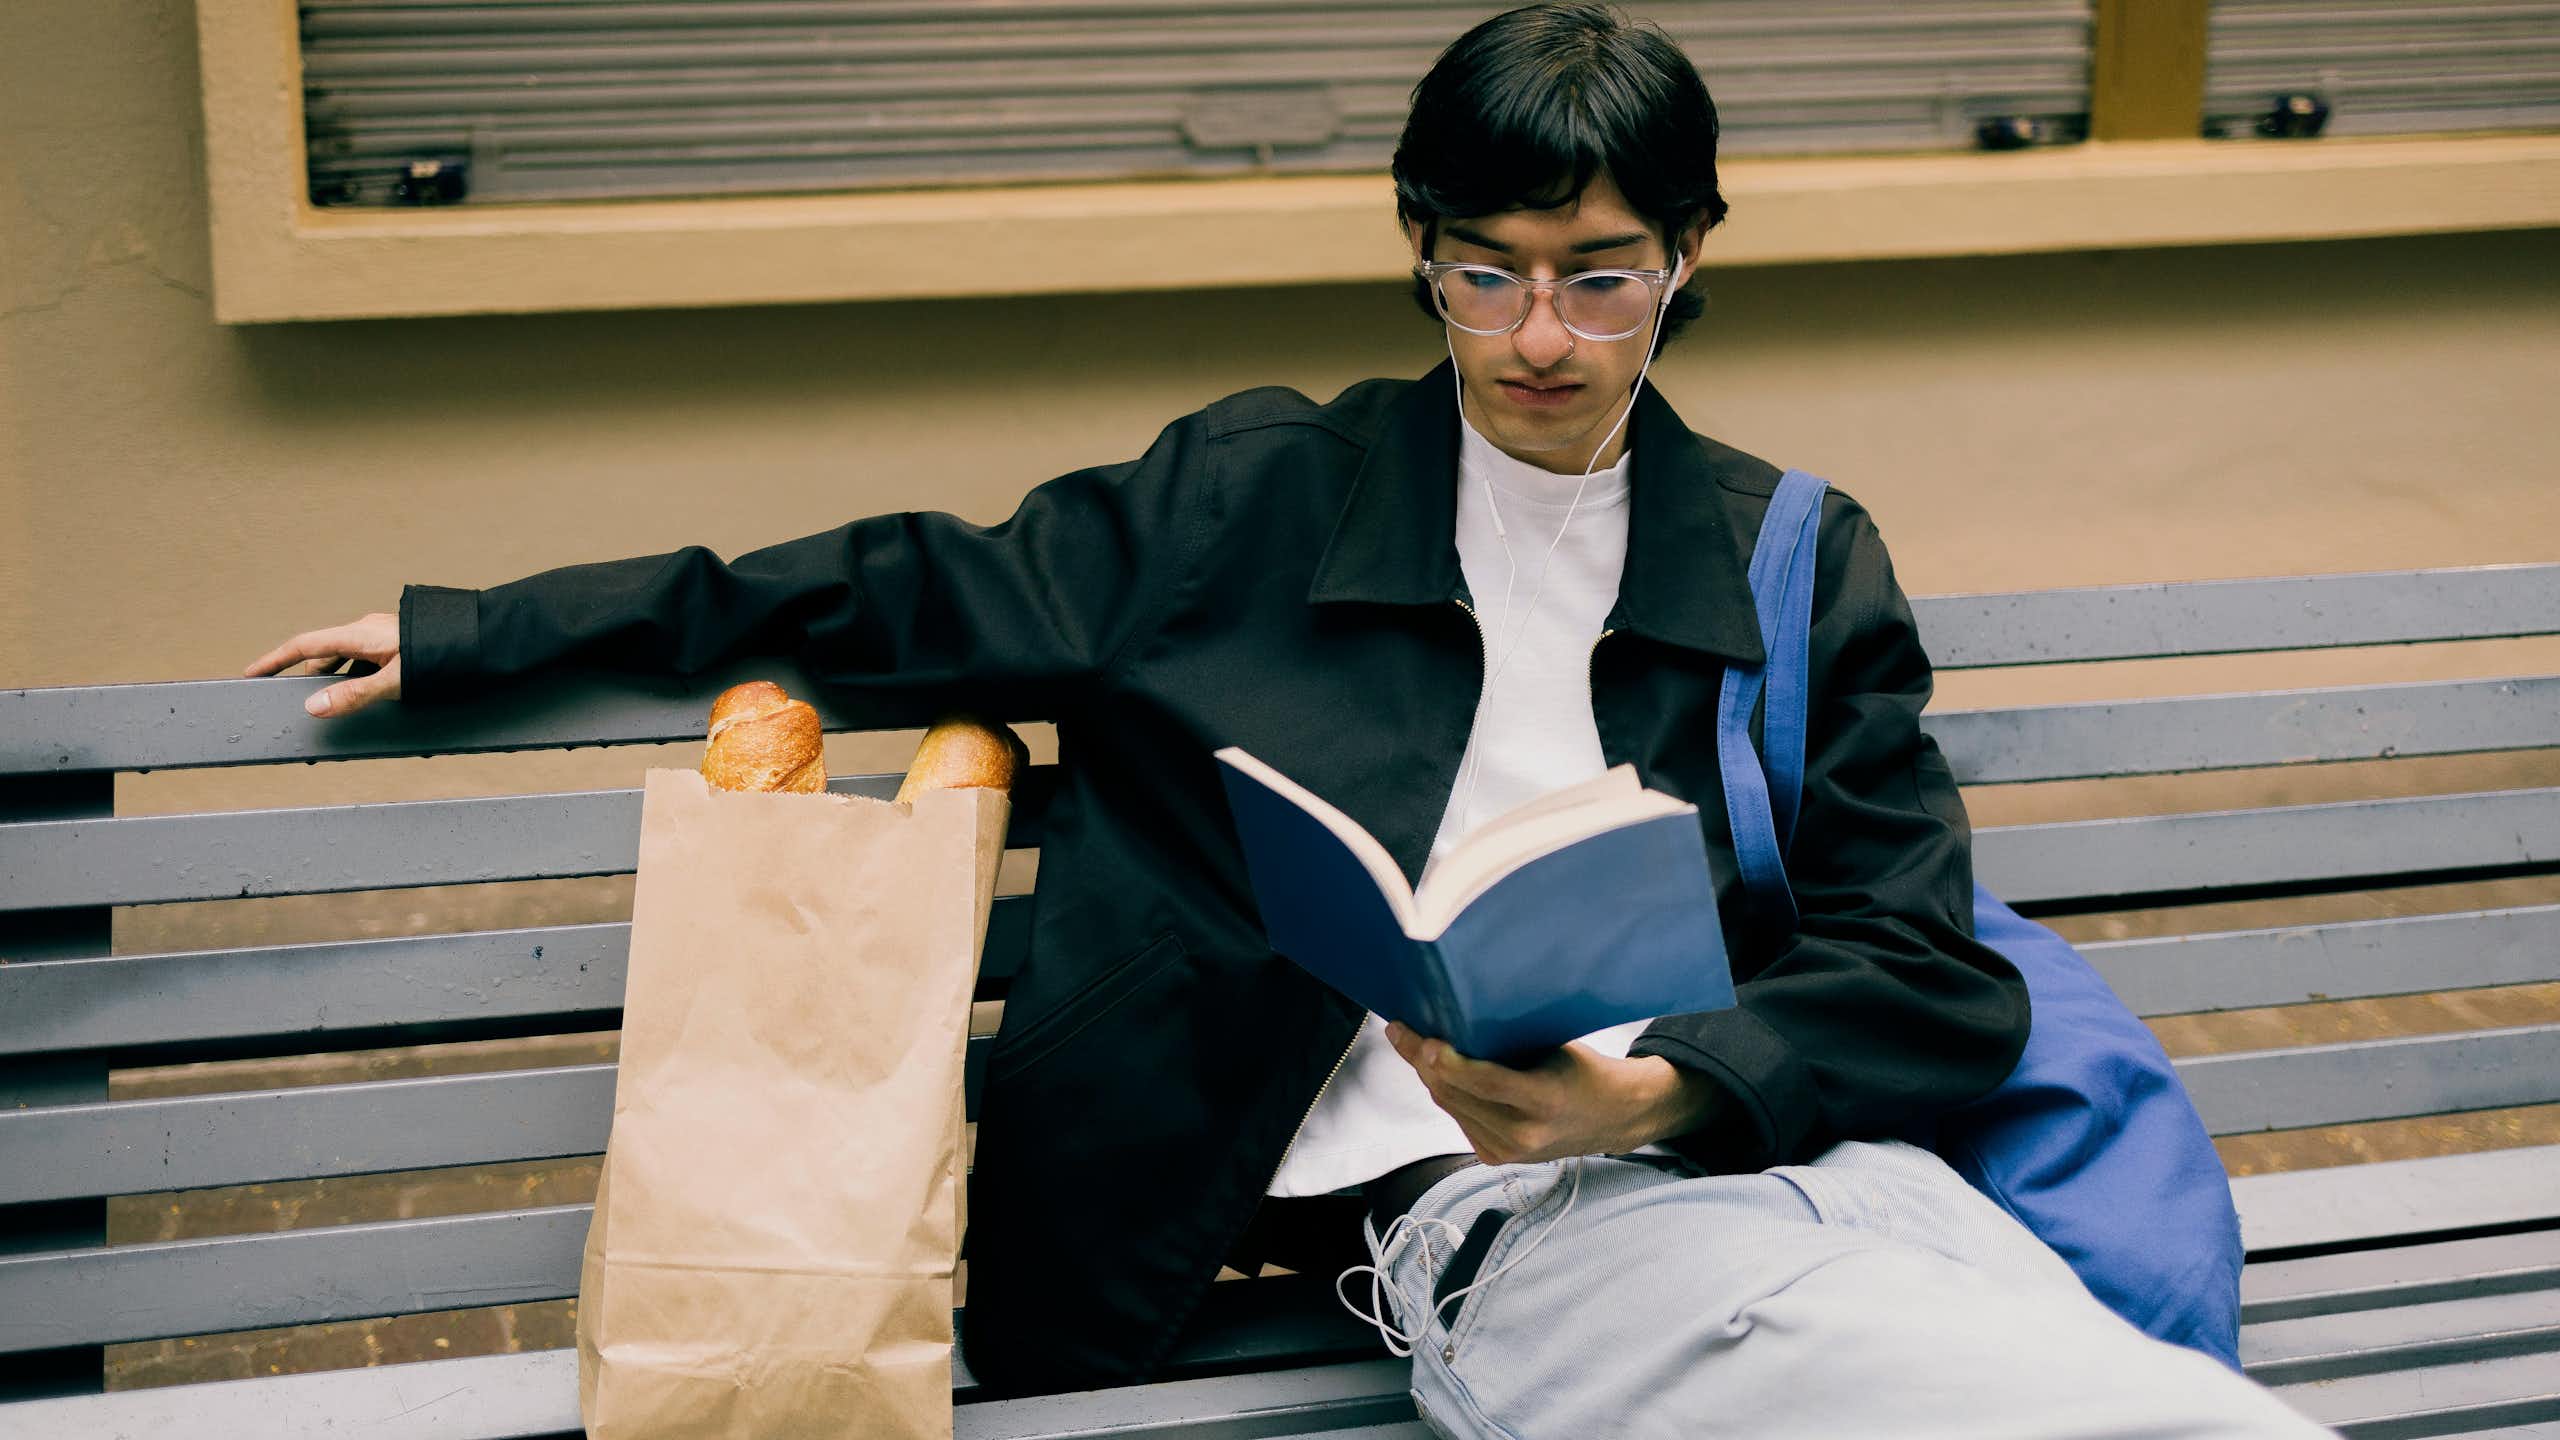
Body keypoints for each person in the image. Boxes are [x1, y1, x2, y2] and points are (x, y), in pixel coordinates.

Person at [247, 6, 2327, 1434]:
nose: (1533, 337)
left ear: (1692, 257)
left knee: (2074, 1378)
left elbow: (1913, 954)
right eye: (1479, 272)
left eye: (1598, 276)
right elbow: (890, 586)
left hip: (1779, 1171)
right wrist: (478, 627)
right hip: (1484, 1223)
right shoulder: (1248, 498)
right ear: (1413, 251)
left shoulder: (1783, 556)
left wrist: (1666, 1089)